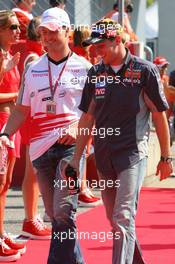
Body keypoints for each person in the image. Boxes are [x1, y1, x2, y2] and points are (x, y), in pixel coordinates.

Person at [68, 19, 173, 264]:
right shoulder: (95, 73)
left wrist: (166, 157)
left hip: (133, 154)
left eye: (101, 45)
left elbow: (159, 114)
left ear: (117, 41)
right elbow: (87, 117)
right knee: (115, 219)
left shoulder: (144, 70)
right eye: (94, 46)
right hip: (105, 156)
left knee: (123, 216)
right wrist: (76, 158)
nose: (96, 51)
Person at [0, 7, 91, 264]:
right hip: (40, 150)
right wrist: (6, 133)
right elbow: (20, 110)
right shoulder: (33, 69)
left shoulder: (84, 68)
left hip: (70, 149)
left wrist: (77, 128)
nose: (48, 37)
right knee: (54, 213)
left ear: (66, 31)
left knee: (64, 211)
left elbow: (94, 112)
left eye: (53, 31)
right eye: (43, 32)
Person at [0, 10, 26, 262]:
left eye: (17, 27)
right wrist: (17, 96)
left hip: (11, 124)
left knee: (6, 183)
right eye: (12, 27)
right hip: (1, 125)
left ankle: (1, 232)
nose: (18, 31)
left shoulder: (9, 55)